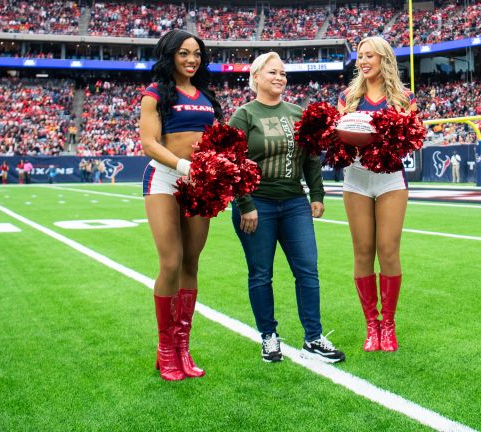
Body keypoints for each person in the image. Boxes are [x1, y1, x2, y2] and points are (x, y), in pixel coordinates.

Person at [229, 52, 345, 364]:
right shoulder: (243, 115)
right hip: (257, 204)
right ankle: (268, 336)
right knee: (261, 273)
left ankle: (313, 338)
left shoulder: (298, 112)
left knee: (308, 269)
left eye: (282, 73)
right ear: (256, 77)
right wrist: (246, 203)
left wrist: (316, 194)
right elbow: (232, 162)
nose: (279, 78)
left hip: (294, 202)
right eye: (272, 73)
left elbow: (310, 158)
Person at [139, 29, 222, 382]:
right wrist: (182, 165)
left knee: (191, 262)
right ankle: (164, 350)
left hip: (200, 183)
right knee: (170, 262)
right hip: (164, 178)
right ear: (170, 55)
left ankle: (183, 348)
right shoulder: (154, 93)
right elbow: (149, 143)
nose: (192, 60)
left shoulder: (206, 96)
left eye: (197, 54)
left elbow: (216, 139)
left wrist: (218, 165)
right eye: (184, 53)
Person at [340, 36, 419, 353]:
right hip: (356, 179)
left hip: (389, 179)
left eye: (369, 55)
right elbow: (339, 139)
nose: (363, 61)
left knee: (387, 249)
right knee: (362, 251)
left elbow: (413, 137)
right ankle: (371, 326)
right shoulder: (349, 97)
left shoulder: (403, 97)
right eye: (360, 56)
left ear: (383, 58)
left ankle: (389, 324)